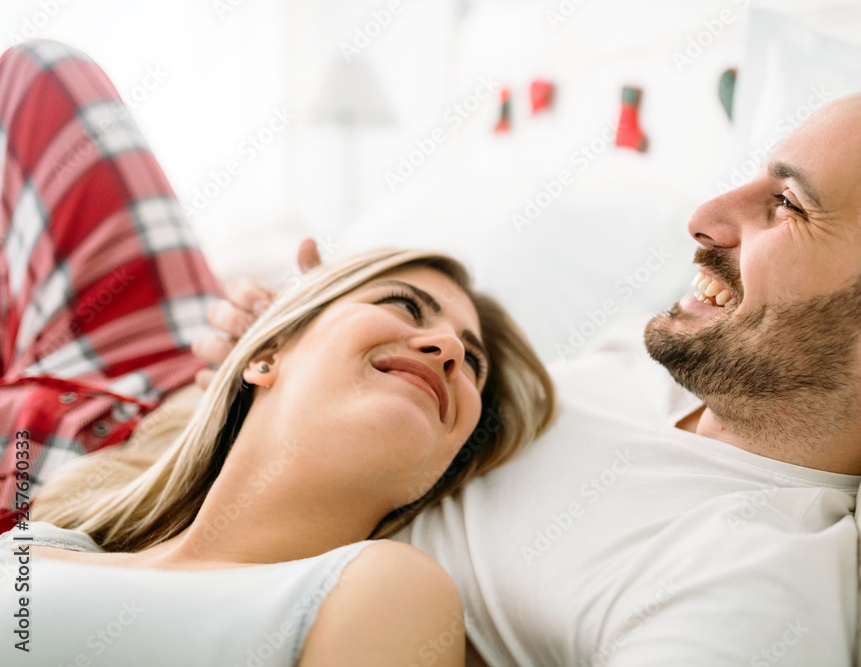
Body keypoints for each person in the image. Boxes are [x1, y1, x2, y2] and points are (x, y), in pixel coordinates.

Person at [196, 42, 861, 665]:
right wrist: (292, 344)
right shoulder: (642, 365)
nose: (705, 216)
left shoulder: (746, 582)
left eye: (786, 205)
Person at [0, 40, 555, 666]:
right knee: (43, 70)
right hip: (158, 394)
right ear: (263, 348)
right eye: (403, 304)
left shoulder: (386, 587)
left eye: (472, 364)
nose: (450, 346)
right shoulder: (48, 545)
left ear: (442, 472)